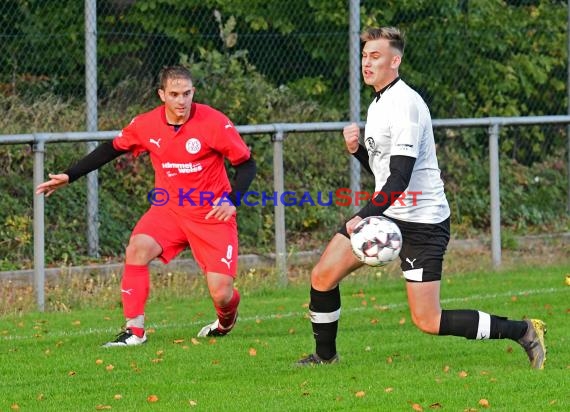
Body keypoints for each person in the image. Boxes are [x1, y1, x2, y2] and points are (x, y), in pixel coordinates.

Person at [296, 27, 546, 369]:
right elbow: (384, 173)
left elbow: (400, 178)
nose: (367, 63)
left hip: (423, 222)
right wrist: (357, 151)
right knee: (322, 276)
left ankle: (523, 330)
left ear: (395, 61)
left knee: (428, 320)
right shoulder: (380, 101)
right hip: (389, 213)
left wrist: (364, 214)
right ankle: (325, 358)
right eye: (365, 56)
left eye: (376, 56)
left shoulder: (406, 106)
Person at [36, 65, 256, 347]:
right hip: (170, 210)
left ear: (193, 93)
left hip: (211, 213)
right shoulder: (146, 124)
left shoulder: (214, 122)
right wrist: (71, 175)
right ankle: (134, 331)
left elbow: (246, 163)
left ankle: (226, 318)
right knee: (137, 249)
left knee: (221, 293)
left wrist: (232, 199)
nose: (181, 101)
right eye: (174, 94)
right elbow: (112, 148)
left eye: (187, 93)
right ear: (162, 94)